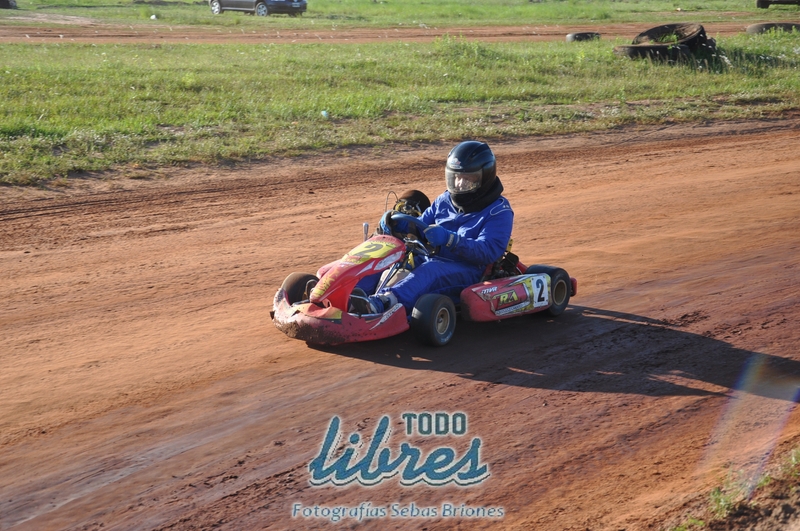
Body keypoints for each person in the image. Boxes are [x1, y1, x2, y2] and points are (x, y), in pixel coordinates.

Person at [350, 140, 514, 314]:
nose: (459, 184)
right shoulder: (445, 200)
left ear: (484, 178)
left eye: (467, 179)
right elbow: (420, 225)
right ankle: (350, 295)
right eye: (456, 177)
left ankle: (383, 303)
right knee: (390, 258)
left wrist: (451, 240)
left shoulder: (498, 211)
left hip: (469, 270)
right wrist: (396, 222)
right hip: (429, 257)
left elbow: (488, 251)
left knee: (430, 270)